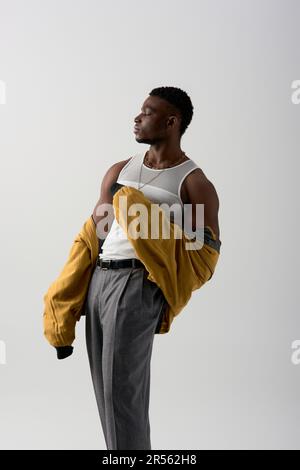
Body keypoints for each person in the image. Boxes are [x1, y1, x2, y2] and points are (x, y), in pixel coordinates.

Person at [85, 86, 220, 450]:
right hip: (100, 279)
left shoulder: (191, 182)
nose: (137, 117)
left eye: (147, 112)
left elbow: (202, 254)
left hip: (138, 283)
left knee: (121, 390)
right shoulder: (120, 170)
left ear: (171, 122)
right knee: (106, 389)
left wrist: (159, 288)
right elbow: (98, 230)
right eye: (140, 110)